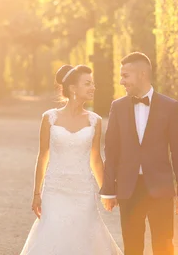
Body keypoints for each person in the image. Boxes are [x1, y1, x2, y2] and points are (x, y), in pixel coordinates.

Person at [19, 64, 122, 255]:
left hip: (83, 190)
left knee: (85, 236)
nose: (93, 88)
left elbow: (96, 159)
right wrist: (36, 193)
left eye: (93, 84)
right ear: (73, 88)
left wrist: (107, 192)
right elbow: (43, 157)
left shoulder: (95, 120)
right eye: (87, 84)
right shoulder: (49, 118)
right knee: (53, 234)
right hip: (55, 190)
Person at [100, 52, 178, 255]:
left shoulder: (170, 106)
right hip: (128, 188)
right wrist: (108, 189)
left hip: (161, 188)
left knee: (164, 245)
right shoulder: (118, 107)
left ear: (142, 74)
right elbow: (111, 150)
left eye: (126, 76)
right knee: (132, 246)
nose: (122, 81)